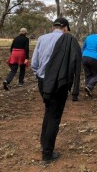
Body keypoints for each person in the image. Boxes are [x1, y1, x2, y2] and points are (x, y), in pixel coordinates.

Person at [31, 17, 82, 163]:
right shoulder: (69, 40)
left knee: (48, 111)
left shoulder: (42, 38)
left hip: (43, 82)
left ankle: (44, 143)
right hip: (59, 84)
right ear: (65, 27)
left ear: (54, 27)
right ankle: (47, 154)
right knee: (54, 116)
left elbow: (34, 63)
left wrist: (42, 76)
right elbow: (75, 64)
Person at [82, 28, 97, 97]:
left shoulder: (89, 37)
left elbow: (83, 47)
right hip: (94, 57)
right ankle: (89, 87)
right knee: (96, 75)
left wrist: (83, 54)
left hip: (85, 56)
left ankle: (88, 92)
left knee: (88, 74)